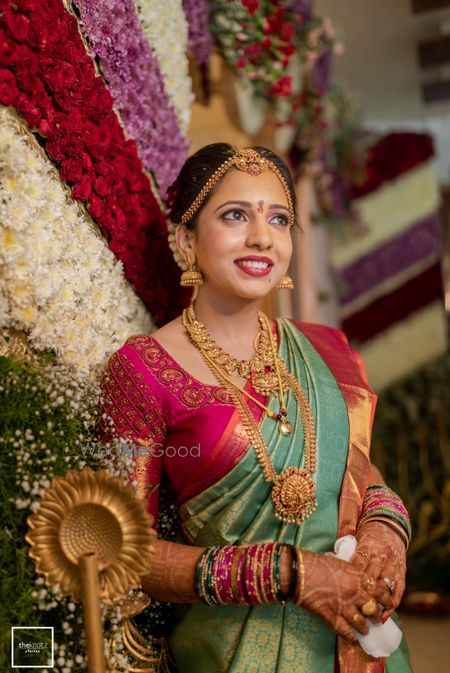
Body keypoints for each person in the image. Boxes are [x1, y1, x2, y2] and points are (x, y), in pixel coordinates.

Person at [100, 143, 413, 673]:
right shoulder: (143, 370)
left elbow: (353, 472)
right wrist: (289, 573)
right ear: (186, 239)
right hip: (231, 652)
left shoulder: (327, 350)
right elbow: (124, 553)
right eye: (235, 215)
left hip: (359, 642)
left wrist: (387, 525)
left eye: (279, 219)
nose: (262, 237)